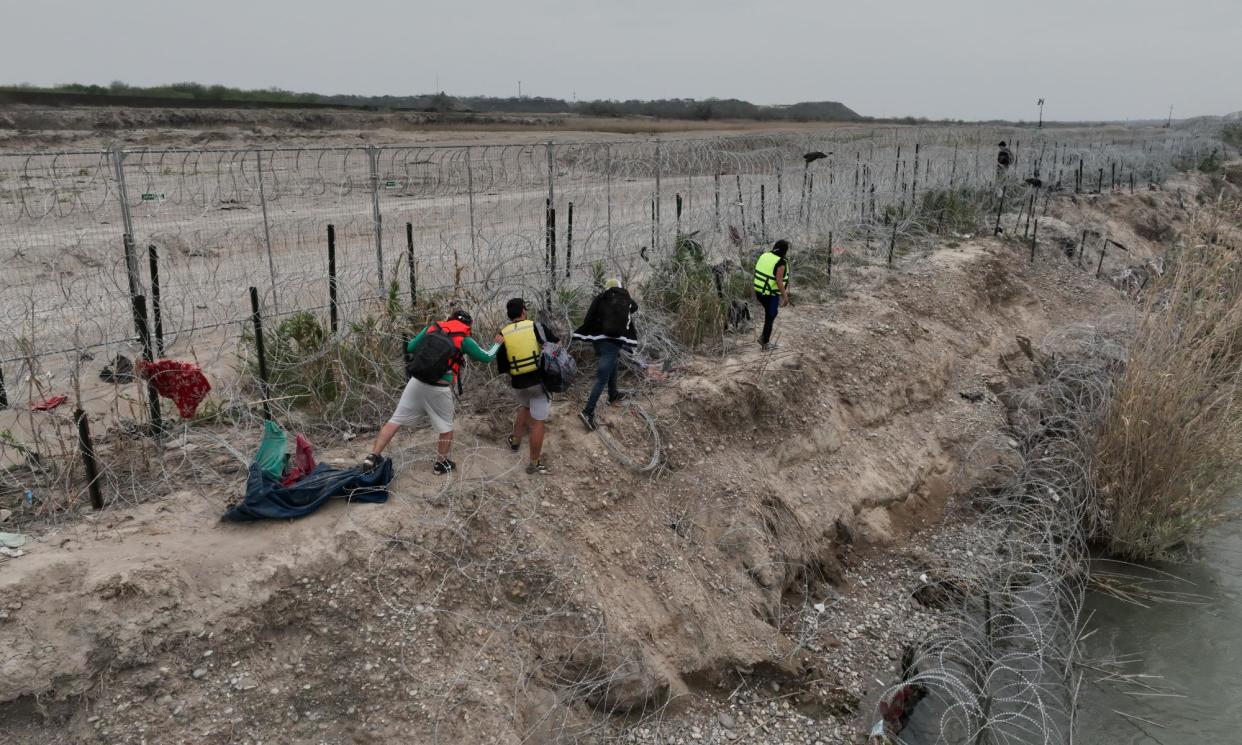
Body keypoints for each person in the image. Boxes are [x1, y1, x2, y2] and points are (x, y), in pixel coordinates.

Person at [362, 309, 496, 475]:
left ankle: (372, 457)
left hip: (416, 381)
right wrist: (497, 343)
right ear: (468, 325)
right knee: (446, 427)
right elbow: (487, 357)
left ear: (449, 319)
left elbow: (410, 347)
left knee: (395, 420)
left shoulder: (432, 328)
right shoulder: (464, 339)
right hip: (439, 388)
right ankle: (440, 464)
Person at [494, 298, 559, 474]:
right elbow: (556, 344)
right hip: (538, 381)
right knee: (538, 423)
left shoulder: (503, 333)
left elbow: (503, 366)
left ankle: (515, 441)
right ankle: (534, 462)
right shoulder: (534, 326)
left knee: (525, 407)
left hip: (517, 383)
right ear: (523, 311)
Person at [573, 278, 637, 431]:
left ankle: (613, 394)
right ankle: (588, 412)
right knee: (602, 377)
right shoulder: (625, 300)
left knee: (612, 361)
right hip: (612, 342)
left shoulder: (601, 299)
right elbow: (635, 307)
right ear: (619, 289)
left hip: (598, 341)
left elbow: (587, 318)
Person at [753, 239, 790, 351]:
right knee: (771, 315)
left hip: (759, 291)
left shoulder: (765, 255)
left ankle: (764, 338)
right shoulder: (781, 263)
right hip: (770, 293)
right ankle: (765, 343)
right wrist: (785, 297)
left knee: (770, 314)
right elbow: (779, 281)